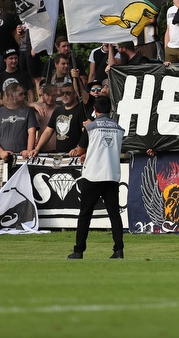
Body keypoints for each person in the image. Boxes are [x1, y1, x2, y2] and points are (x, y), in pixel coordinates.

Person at [68, 96, 125, 260]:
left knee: (85, 215)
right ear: (111, 110)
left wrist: (85, 150)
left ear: (95, 110)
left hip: (93, 175)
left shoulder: (90, 127)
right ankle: (118, 250)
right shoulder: (119, 129)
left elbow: (79, 151)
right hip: (111, 175)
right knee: (114, 215)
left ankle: (78, 251)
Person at [0, 82, 38, 160]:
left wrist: (28, 150)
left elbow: (32, 131)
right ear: (11, 96)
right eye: (21, 94)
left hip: (22, 156)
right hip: (3, 157)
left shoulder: (28, 111)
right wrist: (1, 152)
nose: (24, 96)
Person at [31, 82, 91, 157]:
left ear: (75, 94)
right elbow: (48, 132)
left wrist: (78, 148)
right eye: (62, 93)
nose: (64, 96)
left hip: (75, 156)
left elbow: (85, 132)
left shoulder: (81, 109)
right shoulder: (58, 110)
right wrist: (37, 148)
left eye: (68, 93)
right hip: (59, 155)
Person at [30, 84, 59, 153]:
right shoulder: (37, 108)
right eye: (48, 95)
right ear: (43, 95)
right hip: (40, 149)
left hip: (56, 149)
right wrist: (33, 104)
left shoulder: (59, 109)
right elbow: (21, 103)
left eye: (53, 95)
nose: (51, 98)